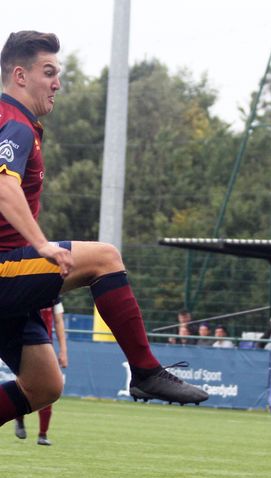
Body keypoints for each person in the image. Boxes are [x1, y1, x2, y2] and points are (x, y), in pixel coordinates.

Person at [0, 30, 208, 427]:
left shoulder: (13, 122)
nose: (58, 83)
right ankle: (145, 371)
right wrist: (42, 244)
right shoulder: (16, 125)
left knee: (44, 385)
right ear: (20, 76)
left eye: (58, 73)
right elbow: (4, 187)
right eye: (49, 72)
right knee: (105, 258)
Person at [14, 297, 67, 445]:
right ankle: (19, 418)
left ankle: (42, 434)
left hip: (45, 345)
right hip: (24, 344)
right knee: (23, 386)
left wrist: (63, 351)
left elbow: (59, 321)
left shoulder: (54, 297)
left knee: (49, 389)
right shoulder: (27, 292)